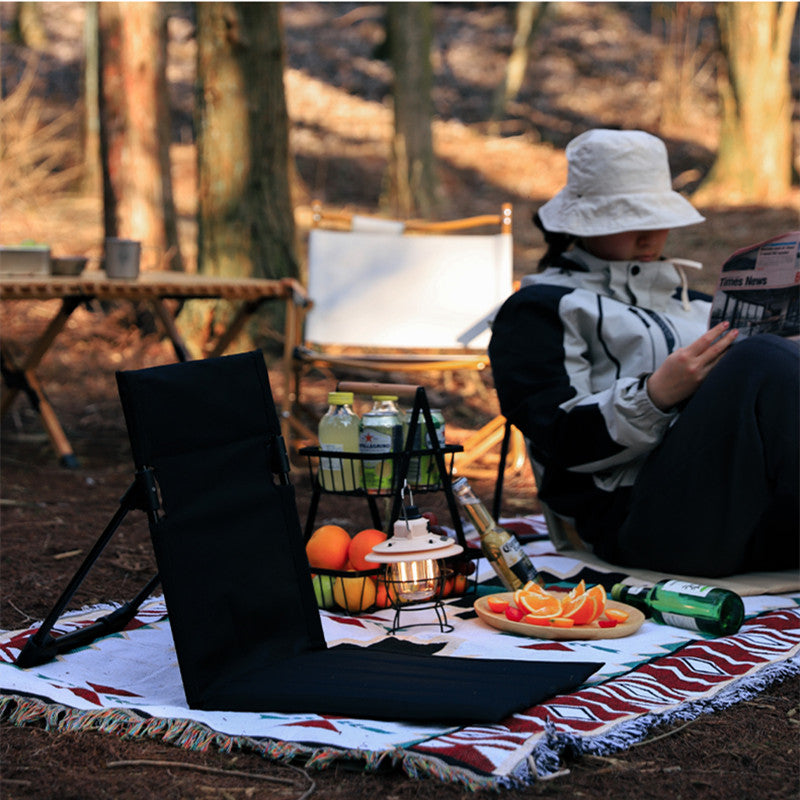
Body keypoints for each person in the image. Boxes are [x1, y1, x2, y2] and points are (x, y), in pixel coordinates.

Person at [488, 129, 799, 578]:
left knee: (770, 357)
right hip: (642, 524)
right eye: (628, 219)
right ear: (583, 222)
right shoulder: (540, 310)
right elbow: (559, 439)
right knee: (759, 361)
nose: (652, 233)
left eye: (657, 216)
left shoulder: (697, 303)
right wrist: (655, 395)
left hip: (753, 516)